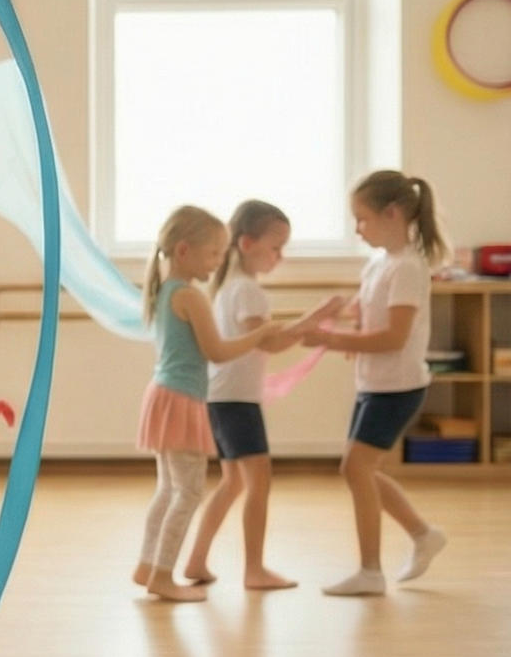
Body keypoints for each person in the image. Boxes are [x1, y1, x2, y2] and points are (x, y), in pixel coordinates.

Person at [134, 205, 331, 604]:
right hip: (182, 399)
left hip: (164, 395)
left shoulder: (167, 291)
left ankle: (148, 565)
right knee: (187, 492)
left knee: (168, 488)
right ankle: (161, 576)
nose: (219, 262)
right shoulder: (190, 296)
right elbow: (218, 352)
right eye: (213, 254)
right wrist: (261, 336)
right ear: (185, 250)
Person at [303, 169, 450, 597]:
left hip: (397, 388)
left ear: (392, 213)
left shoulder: (408, 268)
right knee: (360, 470)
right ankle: (424, 535)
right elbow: (371, 317)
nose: (357, 229)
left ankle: (371, 571)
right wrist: (341, 318)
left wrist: (331, 339)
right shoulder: (380, 265)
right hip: (375, 383)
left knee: (356, 469)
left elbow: (394, 338)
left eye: (361, 219)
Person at [182, 199, 303, 592]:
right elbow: (270, 343)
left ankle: (197, 560)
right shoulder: (248, 290)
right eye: (276, 247)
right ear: (247, 243)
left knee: (233, 482)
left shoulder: (229, 287)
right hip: (236, 401)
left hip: (221, 397)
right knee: (259, 482)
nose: (279, 257)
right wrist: (316, 323)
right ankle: (255, 569)